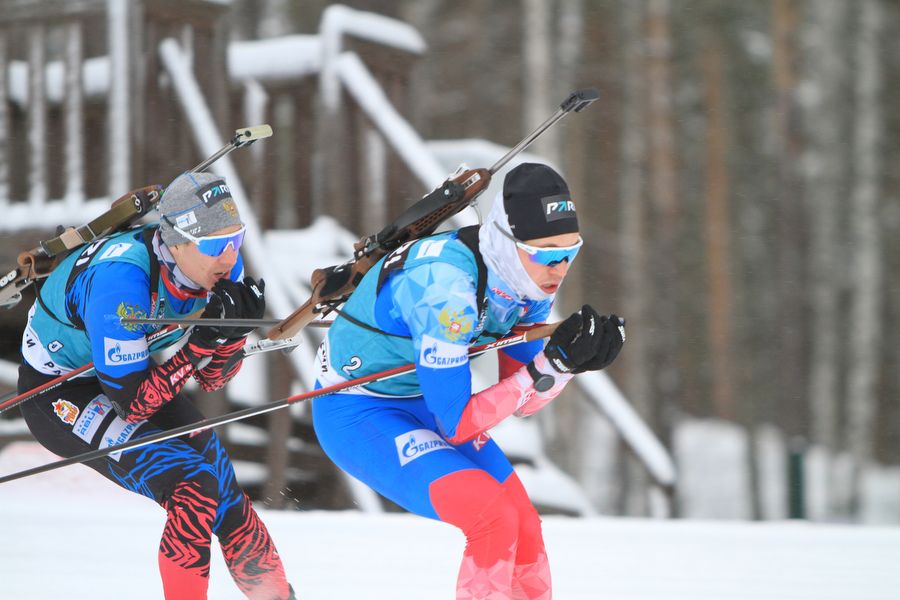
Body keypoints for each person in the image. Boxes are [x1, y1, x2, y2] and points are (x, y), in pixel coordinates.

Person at [312, 162, 625, 599]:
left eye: (569, 253)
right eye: (546, 254)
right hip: (358, 410)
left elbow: (525, 400)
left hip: (424, 399)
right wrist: (547, 369)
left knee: (525, 527)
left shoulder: (528, 280)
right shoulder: (447, 293)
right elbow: (459, 423)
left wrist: (564, 368)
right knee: (491, 518)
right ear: (506, 240)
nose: (559, 269)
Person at [17, 172, 296, 600]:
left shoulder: (222, 265)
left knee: (223, 491)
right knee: (192, 487)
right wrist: (202, 343)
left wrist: (231, 336)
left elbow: (211, 379)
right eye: (214, 246)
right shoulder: (120, 281)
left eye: (235, 240)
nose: (227, 257)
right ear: (178, 241)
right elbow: (132, 405)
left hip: (134, 376)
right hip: (59, 391)